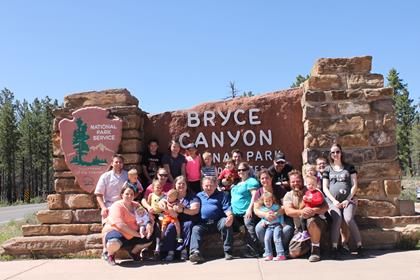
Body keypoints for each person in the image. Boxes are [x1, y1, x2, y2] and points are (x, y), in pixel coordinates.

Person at [323, 143, 363, 258]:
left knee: (349, 218)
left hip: (348, 200)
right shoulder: (327, 169)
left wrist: (348, 199)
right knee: (338, 219)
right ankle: (335, 248)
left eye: (337, 152)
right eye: (333, 152)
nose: (335, 154)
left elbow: (355, 185)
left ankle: (360, 246)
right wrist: (334, 201)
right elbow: (325, 187)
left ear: (341, 153)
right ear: (330, 155)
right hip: (332, 202)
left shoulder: (349, 167)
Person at [101, 184, 154, 265]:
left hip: (133, 235)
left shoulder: (137, 205)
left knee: (150, 238)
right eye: (127, 194)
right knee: (113, 242)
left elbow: (145, 217)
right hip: (118, 232)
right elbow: (120, 225)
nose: (129, 196)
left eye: (132, 194)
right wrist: (138, 235)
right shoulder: (117, 206)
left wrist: (148, 224)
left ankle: (133, 252)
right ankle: (110, 255)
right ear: (122, 195)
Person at [283, 170, 328, 262]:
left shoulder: (312, 190)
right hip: (300, 229)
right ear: (289, 182)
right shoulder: (288, 195)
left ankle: (315, 251)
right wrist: (301, 212)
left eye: (298, 181)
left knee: (311, 220)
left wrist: (314, 210)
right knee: (293, 253)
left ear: (302, 181)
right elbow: (288, 211)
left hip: (316, 223)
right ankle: (312, 244)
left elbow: (325, 207)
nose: (296, 183)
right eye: (293, 181)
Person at [189, 176, 234, 264]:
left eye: (211, 185)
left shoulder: (222, 195)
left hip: (218, 221)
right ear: (202, 186)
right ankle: (195, 253)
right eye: (206, 186)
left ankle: (228, 251)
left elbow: (227, 208)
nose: (209, 188)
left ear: (215, 185)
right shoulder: (198, 196)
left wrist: (230, 216)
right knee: (195, 229)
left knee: (226, 222)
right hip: (203, 223)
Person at [94, 154, 128, 260]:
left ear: (123, 164)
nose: (118, 164)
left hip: (123, 206)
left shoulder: (127, 175)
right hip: (110, 206)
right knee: (107, 227)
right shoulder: (105, 176)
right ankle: (105, 251)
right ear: (111, 163)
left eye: (120, 162)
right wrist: (103, 207)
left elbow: (137, 190)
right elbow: (98, 194)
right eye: (116, 162)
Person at [160, 175, 200, 261]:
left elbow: (195, 210)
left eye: (183, 184)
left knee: (188, 225)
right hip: (174, 220)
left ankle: (183, 250)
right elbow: (161, 200)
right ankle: (170, 252)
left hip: (188, 220)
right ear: (175, 185)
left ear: (186, 185)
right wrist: (163, 203)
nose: (181, 185)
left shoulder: (192, 196)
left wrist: (182, 210)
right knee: (170, 227)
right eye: (179, 184)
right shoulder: (171, 194)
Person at [254, 169, 293, 254]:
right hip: (266, 220)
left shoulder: (279, 190)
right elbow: (256, 209)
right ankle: (268, 249)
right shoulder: (259, 192)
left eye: (267, 178)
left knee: (287, 229)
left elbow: (285, 205)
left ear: (271, 178)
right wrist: (265, 215)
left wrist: (276, 214)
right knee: (258, 228)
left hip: (281, 218)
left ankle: (281, 249)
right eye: (262, 178)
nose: (265, 180)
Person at [230, 162, 261, 257]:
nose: (240, 172)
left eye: (243, 170)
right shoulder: (237, 183)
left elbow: (255, 196)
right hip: (235, 214)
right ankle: (229, 251)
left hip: (246, 212)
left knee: (248, 225)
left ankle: (255, 250)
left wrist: (249, 209)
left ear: (248, 171)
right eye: (239, 170)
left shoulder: (251, 181)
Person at [257, 192, 287, 261]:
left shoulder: (276, 207)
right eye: (266, 201)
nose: (268, 203)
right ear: (263, 202)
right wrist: (263, 221)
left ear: (272, 200)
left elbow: (280, 214)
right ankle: (269, 254)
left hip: (277, 225)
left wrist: (282, 222)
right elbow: (263, 217)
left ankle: (281, 254)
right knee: (266, 239)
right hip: (269, 226)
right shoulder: (263, 209)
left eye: (269, 201)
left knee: (276, 239)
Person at [295, 175, 325, 242]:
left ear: (316, 185)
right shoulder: (307, 192)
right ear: (306, 185)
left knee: (303, 218)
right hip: (308, 210)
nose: (310, 186)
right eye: (309, 184)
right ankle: (304, 232)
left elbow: (320, 201)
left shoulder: (317, 193)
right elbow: (306, 203)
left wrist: (311, 200)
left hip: (315, 211)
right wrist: (305, 199)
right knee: (302, 218)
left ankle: (305, 232)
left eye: (313, 184)